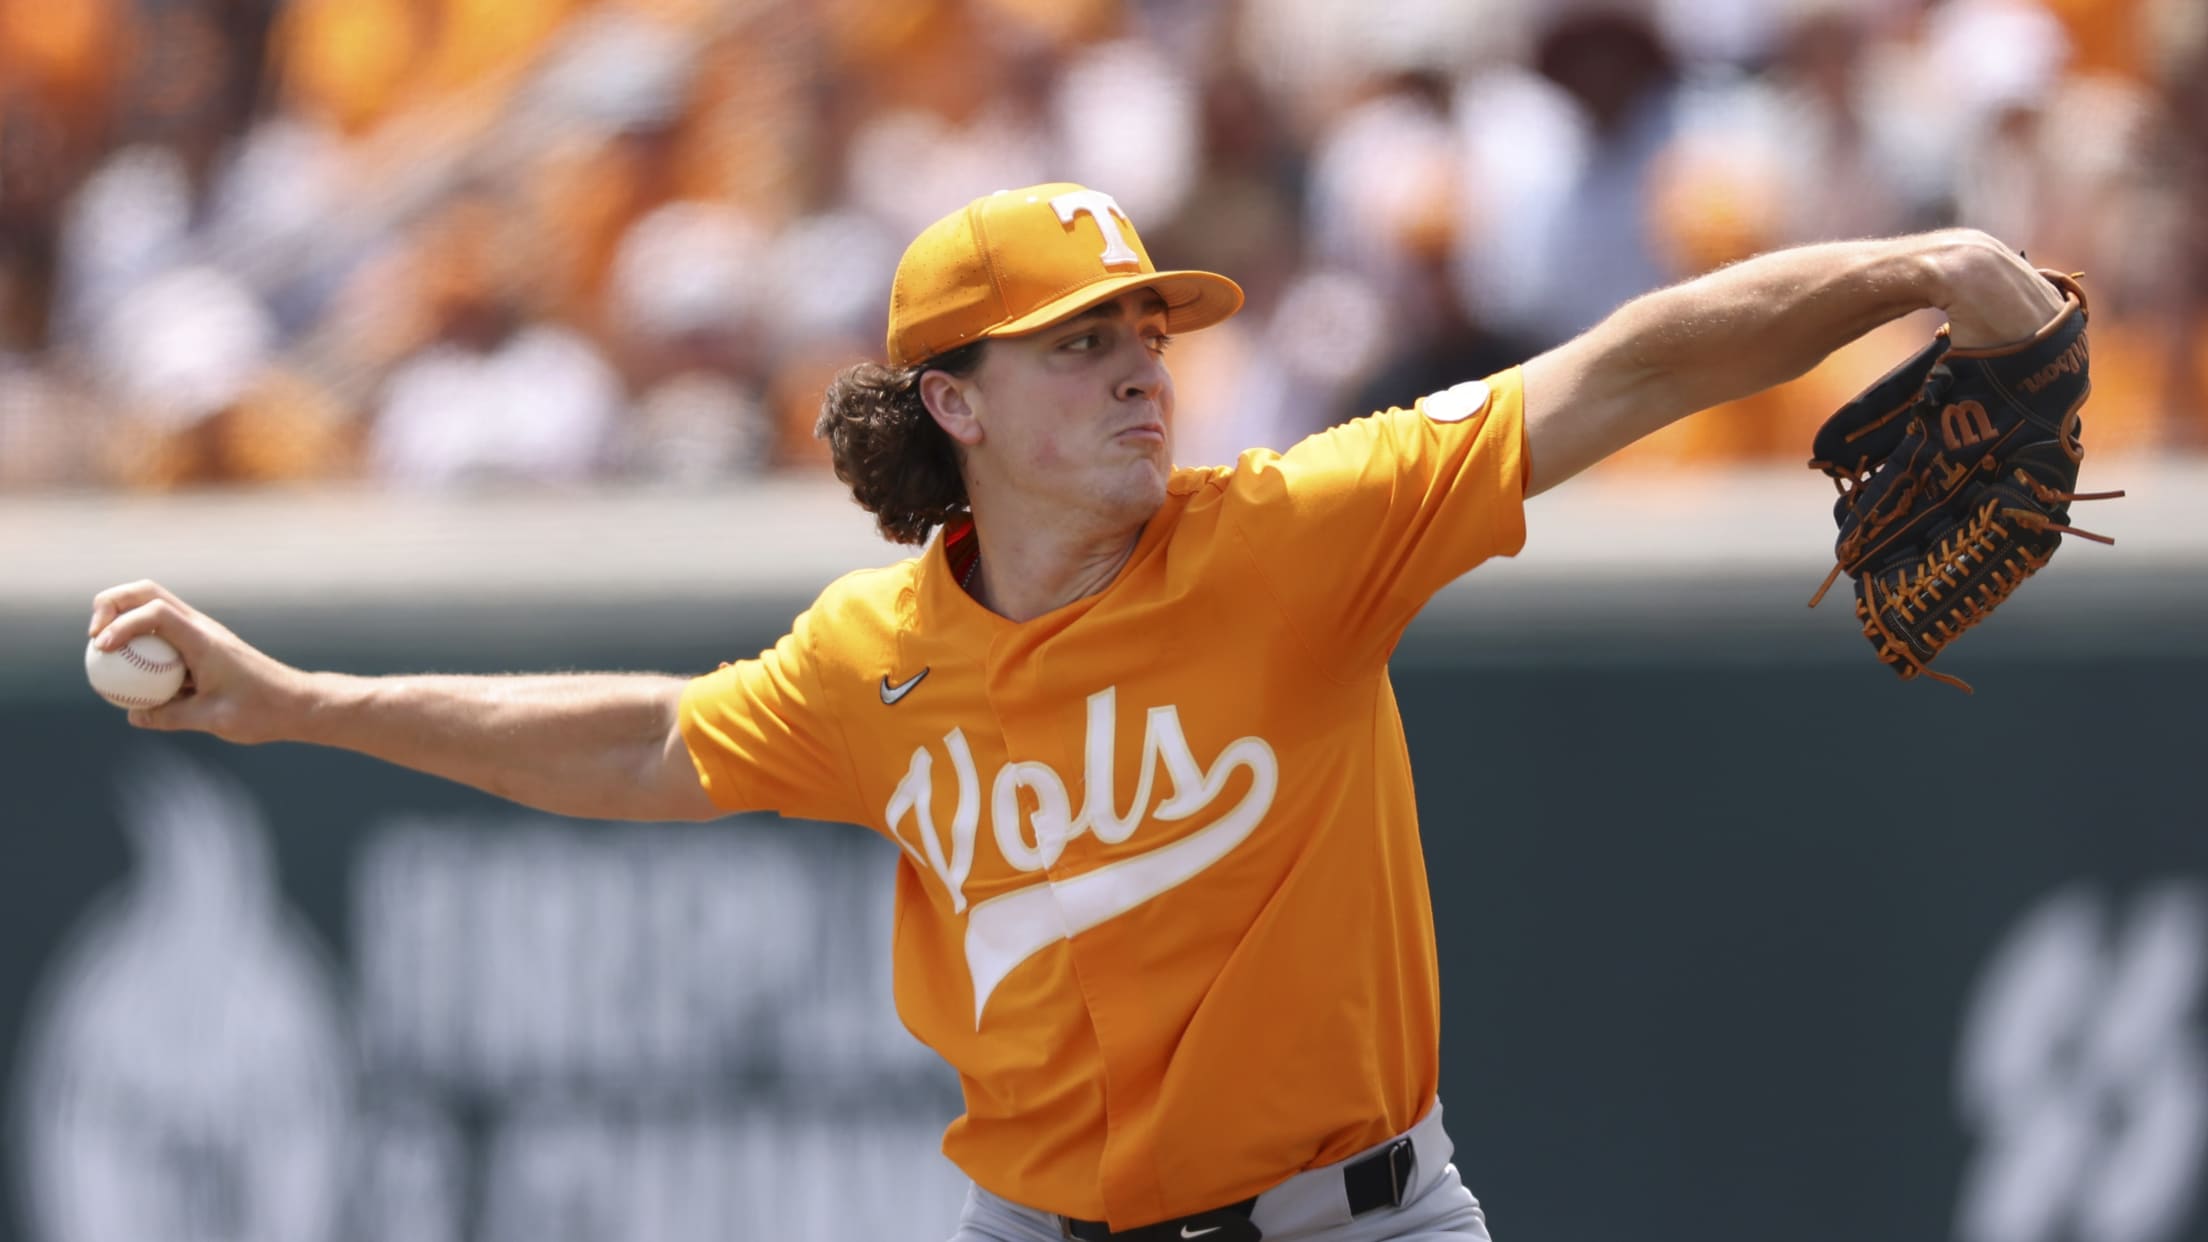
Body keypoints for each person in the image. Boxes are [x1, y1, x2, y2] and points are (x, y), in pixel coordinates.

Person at [88, 182, 2070, 1242]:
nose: (1144, 370)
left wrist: (1917, 267)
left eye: (1149, 333)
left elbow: (1629, 364)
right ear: (952, 402)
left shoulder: (1297, 535)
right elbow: (646, 743)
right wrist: (304, 701)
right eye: (1083, 344)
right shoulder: (876, 660)